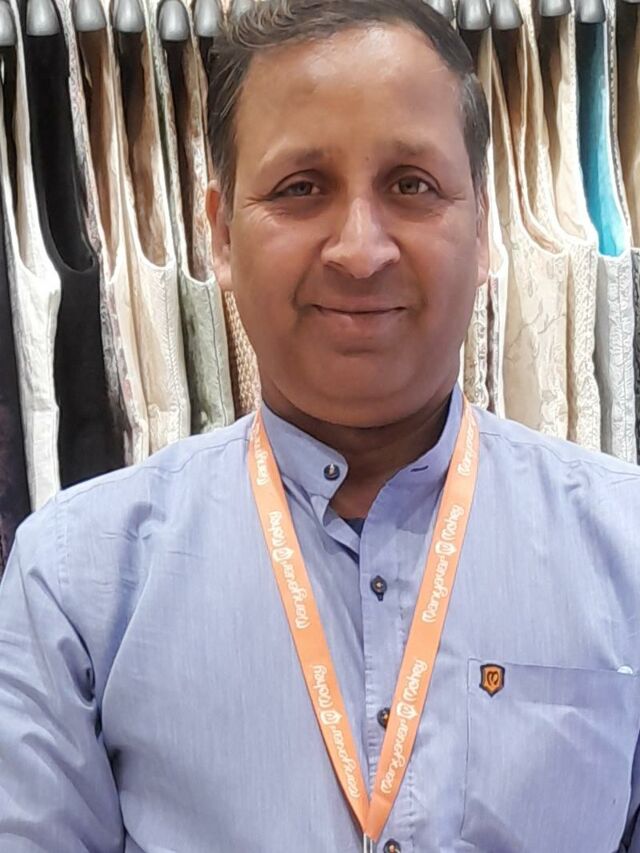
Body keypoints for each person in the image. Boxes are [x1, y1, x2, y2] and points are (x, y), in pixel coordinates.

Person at [1, 0, 640, 850]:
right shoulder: (75, 584)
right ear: (220, 234)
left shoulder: (625, 549)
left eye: (411, 185)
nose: (360, 249)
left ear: (484, 228)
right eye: (301, 189)